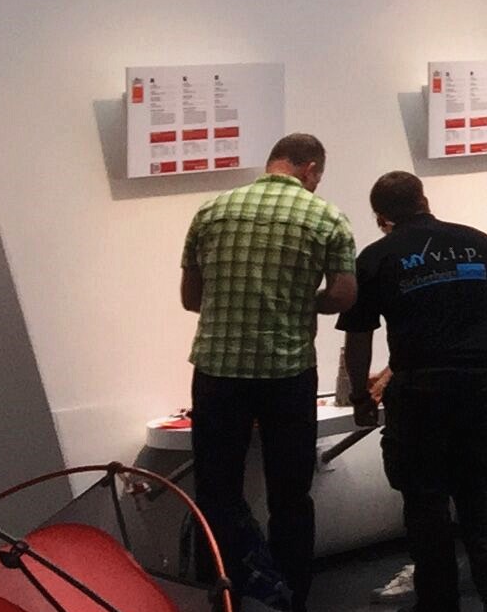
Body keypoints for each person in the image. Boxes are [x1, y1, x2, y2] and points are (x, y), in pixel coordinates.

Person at [181, 133, 358, 612]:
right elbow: (344, 295)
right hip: (287, 371)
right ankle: (291, 597)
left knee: (216, 491)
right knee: (291, 494)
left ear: (272, 162)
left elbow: (191, 298)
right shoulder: (326, 217)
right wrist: (302, 302)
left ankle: (226, 595)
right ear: (311, 169)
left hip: (218, 371)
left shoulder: (211, 210)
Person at [338, 172, 487, 612]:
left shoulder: (376, 258)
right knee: (478, 495)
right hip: (476, 385)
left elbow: (359, 336)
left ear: (381, 218)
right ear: (424, 199)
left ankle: (439, 603)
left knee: (425, 503)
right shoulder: (477, 242)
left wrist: (361, 398)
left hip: (418, 391)